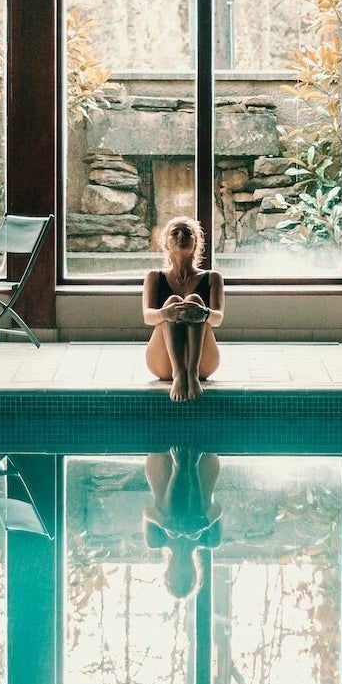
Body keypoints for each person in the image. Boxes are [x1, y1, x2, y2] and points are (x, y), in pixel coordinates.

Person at [143, 215, 224, 402]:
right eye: (175, 232)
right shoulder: (154, 277)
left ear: (196, 242)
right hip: (163, 363)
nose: (181, 236)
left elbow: (218, 319)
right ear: (165, 243)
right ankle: (179, 373)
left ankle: (192, 373)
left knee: (194, 299)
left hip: (204, 362)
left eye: (187, 233)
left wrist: (203, 313)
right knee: (172, 300)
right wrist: (166, 313)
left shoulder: (212, 278)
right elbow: (148, 317)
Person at [143, 448, 223, 600]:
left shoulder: (156, 541)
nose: (180, 573)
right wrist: (204, 523)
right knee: (195, 531)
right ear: (193, 573)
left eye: (175, 579)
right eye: (184, 578)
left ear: (167, 573)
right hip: (204, 466)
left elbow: (147, 510)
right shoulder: (210, 541)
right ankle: (190, 468)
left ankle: (179, 468)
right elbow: (218, 507)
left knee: (172, 530)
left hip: (161, 464)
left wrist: (164, 523)